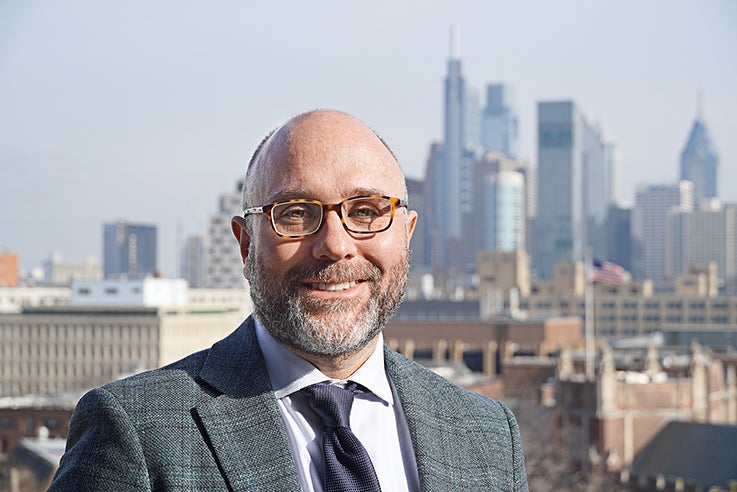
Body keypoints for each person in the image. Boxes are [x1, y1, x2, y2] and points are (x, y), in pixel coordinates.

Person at [49, 109, 528, 491]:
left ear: (407, 233)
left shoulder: (486, 434)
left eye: (366, 211)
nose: (335, 245)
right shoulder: (134, 432)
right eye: (296, 213)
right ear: (245, 244)